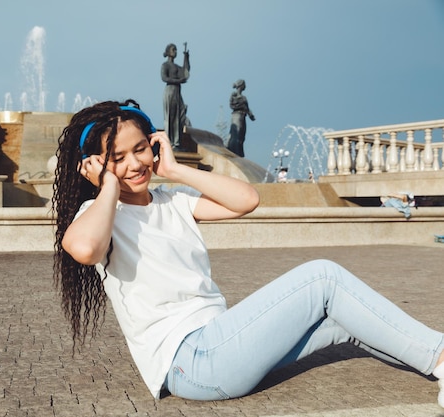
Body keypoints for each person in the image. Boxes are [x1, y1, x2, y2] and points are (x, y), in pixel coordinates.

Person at [52, 99, 444, 406]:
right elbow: (85, 249)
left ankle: (437, 366)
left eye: (141, 149)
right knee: (323, 278)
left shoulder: (173, 201)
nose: (135, 164)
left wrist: (174, 170)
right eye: (117, 158)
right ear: (95, 166)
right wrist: (106, 186)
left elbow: (247, 199)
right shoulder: (99, 215)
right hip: (190, 360)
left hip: (219, 344)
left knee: (346, 321)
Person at [161, 43, 190, 152]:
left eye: (176, 50)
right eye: (174, 50)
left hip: (178, 92)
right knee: (171, 116)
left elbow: (185, 73)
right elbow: (164, 78)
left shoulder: (177, 67)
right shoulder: (165, 65)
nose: (175, 52)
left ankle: (177, 142)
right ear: (168, 52)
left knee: (180, 116)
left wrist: (186, 57)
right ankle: (170, 142)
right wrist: (178, 81)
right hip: (170, 91)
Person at [227, 79, 255, 157]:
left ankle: (239, 152)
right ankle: (233, 150)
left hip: (243, 117)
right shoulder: (234, 95)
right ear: (241, 85)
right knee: (236, 133)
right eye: (244, 85)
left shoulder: (244, 97)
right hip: (236, 116)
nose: (245, 87)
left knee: (241, 135)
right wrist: (242, 106)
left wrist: (251, 115)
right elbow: (232, 105)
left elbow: (247, 108)